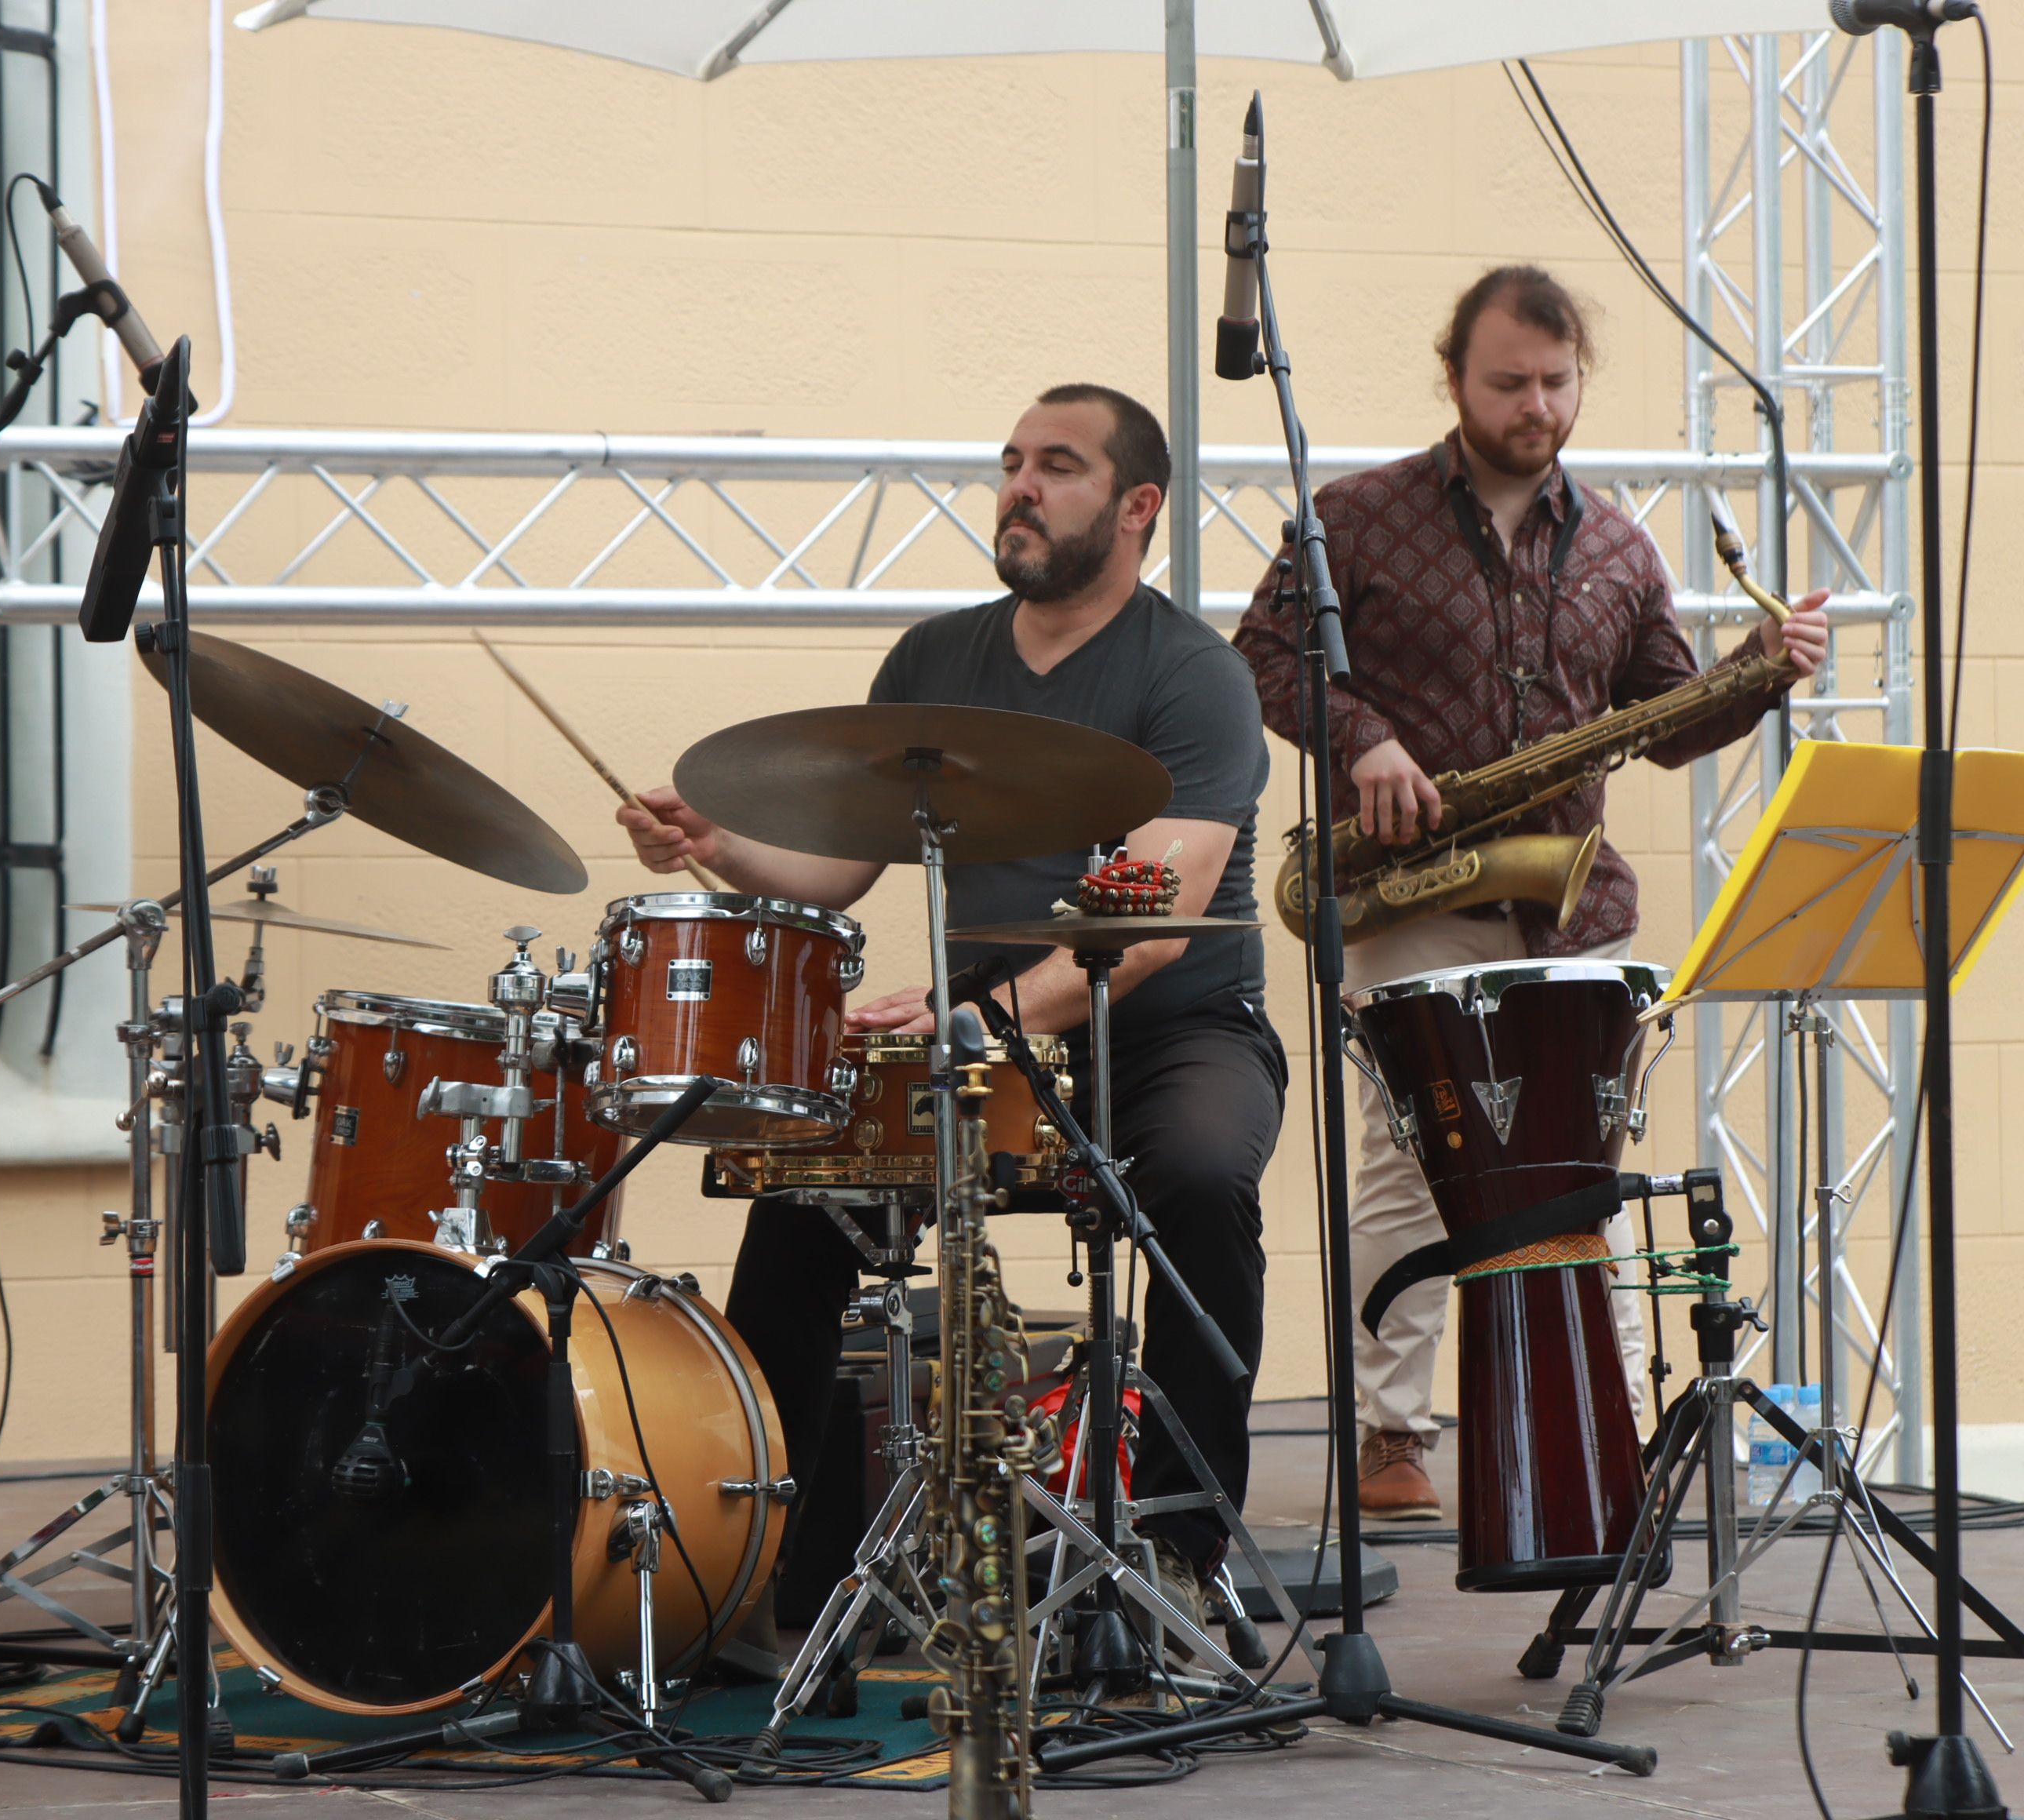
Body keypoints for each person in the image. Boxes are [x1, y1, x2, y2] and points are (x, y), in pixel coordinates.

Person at [620, 383, 1284, 1654]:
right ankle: (769, 1576)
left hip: (1170, 1033)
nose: (1020, 487)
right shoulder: (935, 662)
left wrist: (975, 1014)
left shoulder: (1196, 676)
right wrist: (717, 845)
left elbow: (1151, 915)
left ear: (1138, 506)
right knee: (802, 1201)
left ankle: (1184, 1556)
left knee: (1202, 1177)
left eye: (1059, 466)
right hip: (975, 1035)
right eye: (1012, 464)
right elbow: (834, 871)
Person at [1232, 266, 1829, 1522]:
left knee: (1573, 1166)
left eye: (1558, 383)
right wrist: (1364, 740)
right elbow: (1264, 659)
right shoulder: (1357, 515)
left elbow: (1665, 720)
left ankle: (1581, 1424)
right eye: (1510, 382)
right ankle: (1393, 1436)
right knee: (1407, 1153)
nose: (1538, 406)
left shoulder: (1615, 542)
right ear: (1454, 375)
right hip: (1410, 886)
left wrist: (1762, 671)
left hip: (1565, 899)